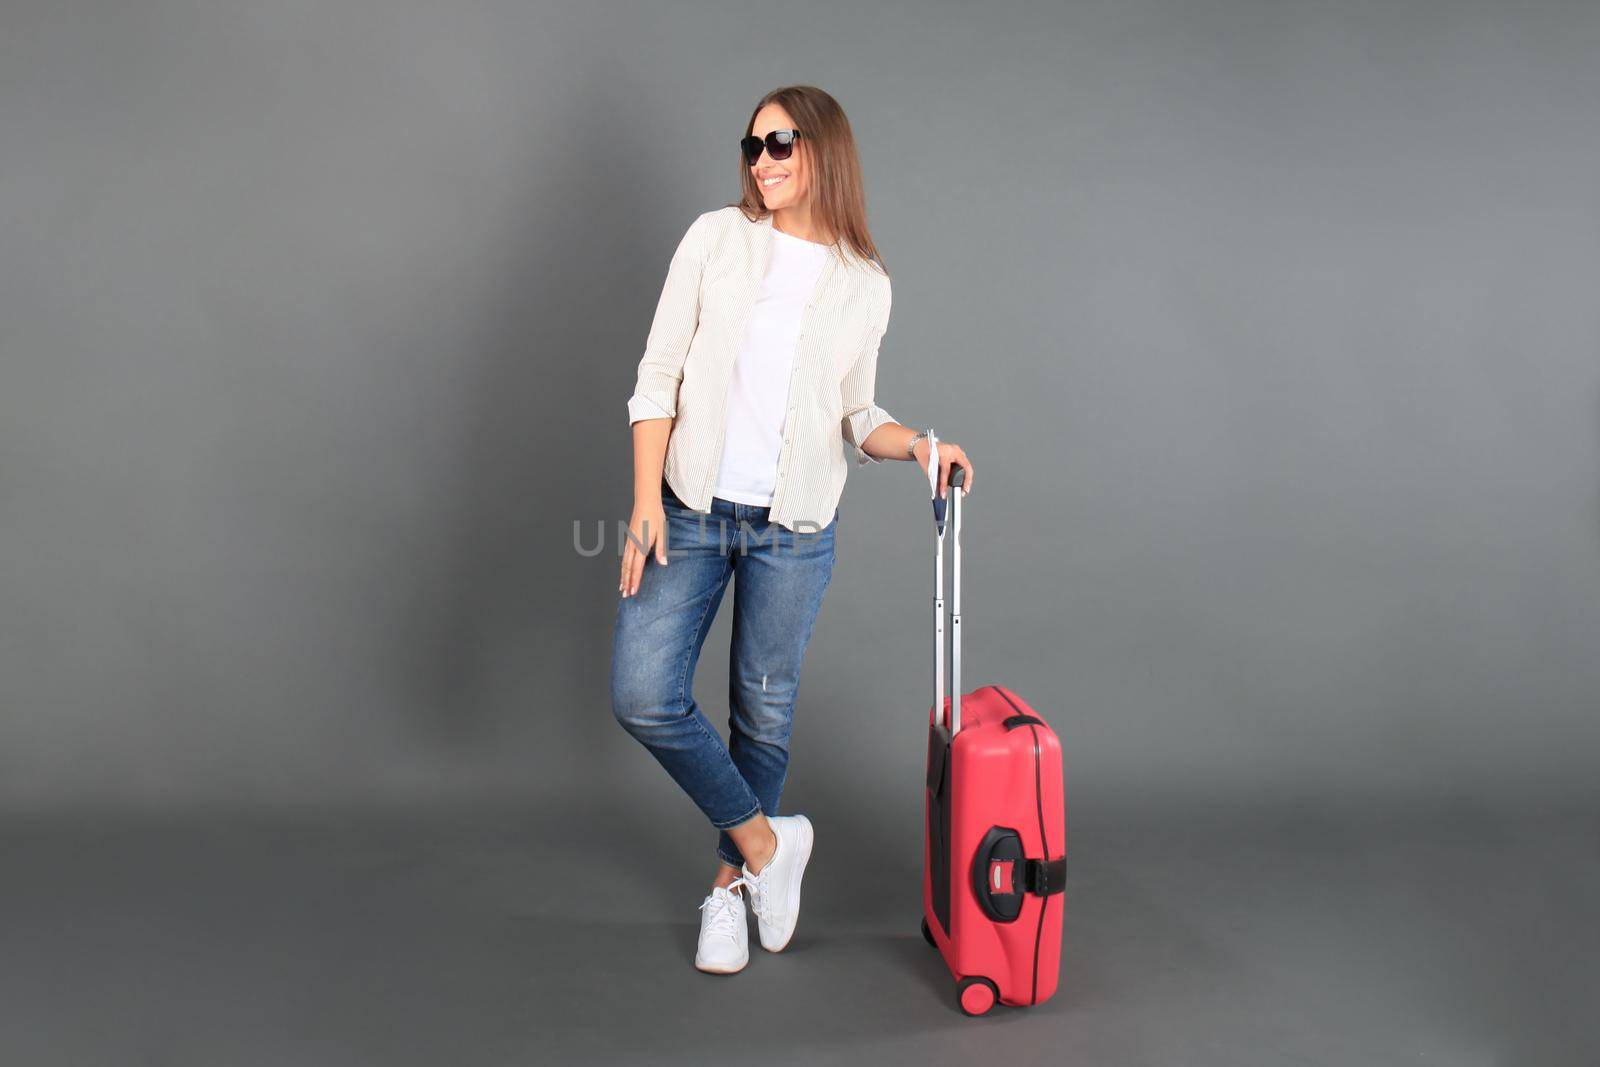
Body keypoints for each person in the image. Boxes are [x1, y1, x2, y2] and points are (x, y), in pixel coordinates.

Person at [610, 85, 975, 975]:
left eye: (781, 142)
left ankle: (730, 889)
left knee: (762, 715)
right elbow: (657, 374)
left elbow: (855, 413)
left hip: (795, 528)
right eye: (752, 144)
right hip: (692, 510)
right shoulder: (715, 239)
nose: (762, 159)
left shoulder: (864, 282)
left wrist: (919, 445)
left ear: (825, 151)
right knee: (643, 692)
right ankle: (772, 847)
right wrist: (646, 500)